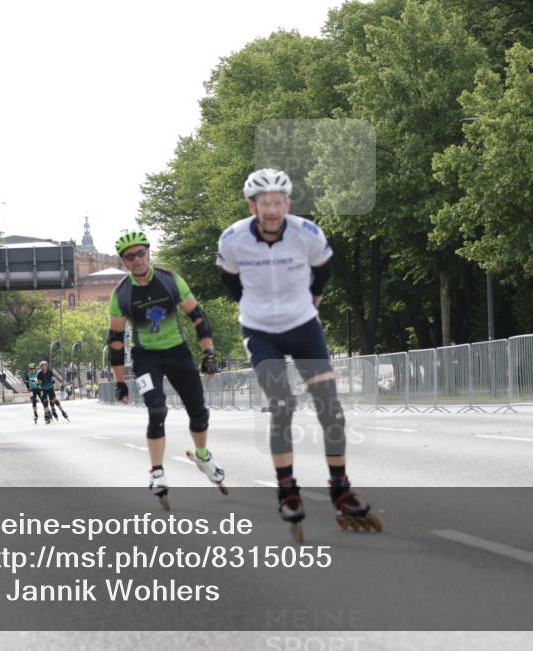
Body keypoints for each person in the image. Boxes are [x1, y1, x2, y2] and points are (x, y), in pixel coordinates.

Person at [217, 168, 380, 539]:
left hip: (303, 326)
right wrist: (251, 306)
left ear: (287, 203)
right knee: (281, 404)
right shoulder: (233, 239)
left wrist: (314, 301)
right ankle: (287, 490)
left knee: (330, 406)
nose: (272, 209)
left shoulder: (307, 233)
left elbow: (323, 270)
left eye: (278, 202)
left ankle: (341, 488)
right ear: (252, 205)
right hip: (260, 331)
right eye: (264, 203)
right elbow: (228, 279)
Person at [108, 230, 225, 510]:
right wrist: (120, 382)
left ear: (148, 252)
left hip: (177, 352)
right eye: (129, 256)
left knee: (199, 411)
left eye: (140, 253)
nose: (137, 260)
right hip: (146, 357)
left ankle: (202, 455)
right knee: (157, 409)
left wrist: (208, 353)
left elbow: (198, 316)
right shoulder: (121, 294)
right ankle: (157, 472)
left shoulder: (170, 281)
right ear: (123, 261)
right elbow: (114, 341)